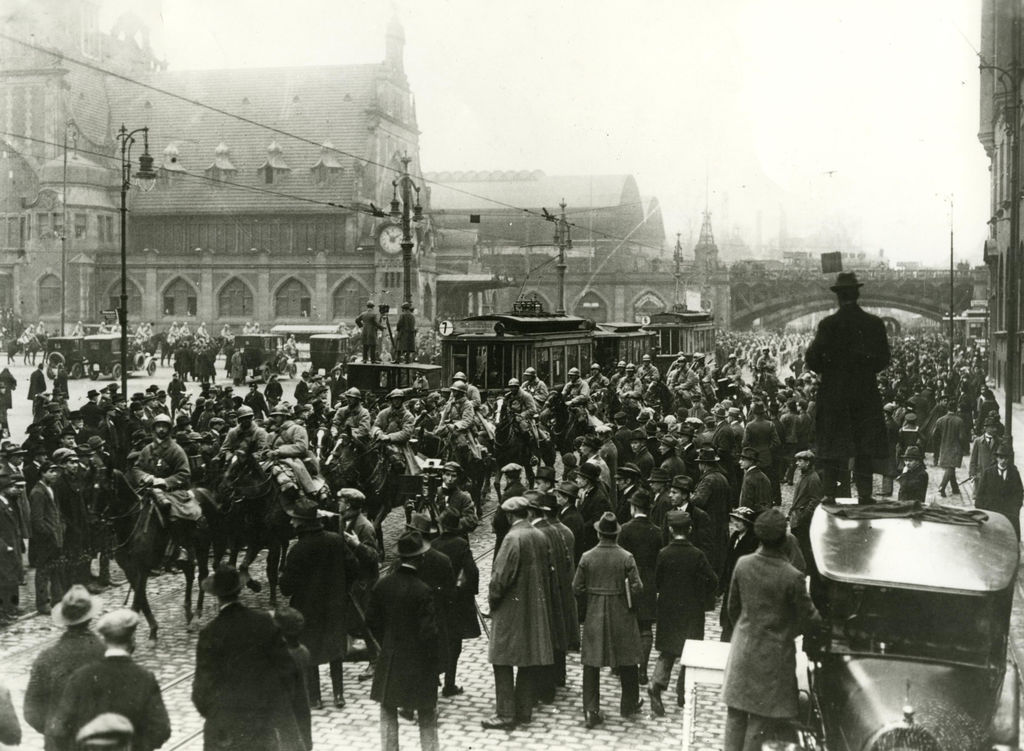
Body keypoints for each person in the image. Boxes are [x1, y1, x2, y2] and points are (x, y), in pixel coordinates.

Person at [722, 508, 821, 751]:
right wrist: (787, 631)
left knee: (735, 715)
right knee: (759, 720)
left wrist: (747, 631)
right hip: (773, 659)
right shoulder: (792, 576)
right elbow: (810, 621)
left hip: (742, 651)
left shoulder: (743, 565)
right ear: (784, 539)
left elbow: (732, 609)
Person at [192, 565, 306, 751]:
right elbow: (288, 671)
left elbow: (200, 692)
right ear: (239, 591)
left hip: (223, 733)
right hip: (260, 728)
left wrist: (219, 715)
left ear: (216, 597)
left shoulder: (209, 632)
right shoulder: (264, 621)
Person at [804, 272, 890, 504]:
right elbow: (884, 360)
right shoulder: (874, 323)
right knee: (864, 445)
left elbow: (812, 360)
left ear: (838, 297)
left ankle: (830, 494)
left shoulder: (828, 325)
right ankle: (865, 495)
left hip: (834, 395)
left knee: (833, 444)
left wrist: (831, 369)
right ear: (857, 294)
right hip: (865, 393)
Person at [47, 609, 171, 751]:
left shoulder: (81, 676)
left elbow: (59, 728)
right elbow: (161, 729)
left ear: (104, 640)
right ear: (132, 640)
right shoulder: (145, 678)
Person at [482, 496, 555, 730]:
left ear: (510, 515)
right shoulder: (540, 535)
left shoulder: (512, 538)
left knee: (501, 660)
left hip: (510, 609)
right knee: (527, 658)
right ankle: (524, 710)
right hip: (534, 607)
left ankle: (505, 713)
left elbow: (500, 578)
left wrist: (492, 602)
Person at [366, 531, 441, 751]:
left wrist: (387, 639)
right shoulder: (423, 590)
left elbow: (371, 620)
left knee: (388, 709)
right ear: (420, 558)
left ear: (400, 557)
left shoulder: (383, 585)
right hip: (419, 661)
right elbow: (428, 633)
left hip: (390, 658)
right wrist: (433, 662)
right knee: (427, 711)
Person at [280, 504, 359, 709]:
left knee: (310, 651)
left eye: (294, 519)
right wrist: (342, 587)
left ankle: (315, 698)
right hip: (335, 605)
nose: (291, 522)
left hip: (307, 609)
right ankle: (339, 695)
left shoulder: (297, 549)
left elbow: (287, 588)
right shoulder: (335, 540)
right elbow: (354, 567)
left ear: (303, 524)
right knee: (335, 650)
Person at [573, 511, 644, 728]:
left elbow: (576, 587)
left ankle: (591, 710)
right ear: (616, 534)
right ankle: (629, 703)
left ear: (598, 534)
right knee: (628, 658)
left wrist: (592, 598)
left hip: (595, 613)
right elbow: (638, 587)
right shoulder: (626, 557)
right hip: (622, 612)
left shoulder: (587, 557)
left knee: (591, 662)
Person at [648, 510, 718, 715]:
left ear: (670, 530)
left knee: (667, 651)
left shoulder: (663, 553)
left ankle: (656, 684)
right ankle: (683, 693)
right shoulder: (698, 555)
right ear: (689, 529)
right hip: (691, 610)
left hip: (668, 609)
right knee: (689, 650)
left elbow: (657, 581)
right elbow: (712, 580)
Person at [24, 585, 105, 750]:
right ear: (90, 617)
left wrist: (53, 731)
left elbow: (31, 711)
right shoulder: (106, 654)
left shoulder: (47, 657)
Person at [430, 510, 481, 698]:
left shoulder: (433, 544)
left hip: (437, 601)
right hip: (457, 602)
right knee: (454, 643)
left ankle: (432, 681)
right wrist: (468, 593)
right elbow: (472, 572)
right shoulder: (461, 544)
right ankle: (449, 684)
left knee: (437, 641)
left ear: (442, 526)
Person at [617, 489, 661, 685]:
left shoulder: (625, 529)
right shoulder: (657, 531)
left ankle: (625, 667)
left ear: (634, 508)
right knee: (645, 627)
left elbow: (620, 558)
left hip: (628, 581)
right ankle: (642, 669)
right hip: (649, 582)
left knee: (627, 624)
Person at [28, 461, 65, 614]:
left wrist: (61, 527)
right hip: (45, 540)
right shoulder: (38, 492)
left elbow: (56, 512)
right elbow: (37, 520)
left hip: (56, 537)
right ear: (42, 473)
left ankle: (58, 600)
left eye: (56, 471)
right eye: (51, 471)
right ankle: (42, 603)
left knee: (56, 569)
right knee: (43, 571)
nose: (54, 474)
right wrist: (48, 534)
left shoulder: (50, 488)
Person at [975, 441, 1024, 540]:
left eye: (1006, 458)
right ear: (997, 458)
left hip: (1009, 514)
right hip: (992, 513)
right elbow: (980, 495)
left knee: (1010, 540)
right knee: (992, 540)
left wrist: (1015, 508)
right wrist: (984, 511)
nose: (1003, 461)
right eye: (1001, 458)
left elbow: (1019, 493)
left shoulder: (1014, 473)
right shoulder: (988, 473)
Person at [932, 399, 969, 497]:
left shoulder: (940, 420)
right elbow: (962, 437)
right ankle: (942, 486)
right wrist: (965, 447)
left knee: (950, 467)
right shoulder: (959, 421)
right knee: (951, 467)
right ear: (956, 409)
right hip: (955, 447)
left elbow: (934, 435)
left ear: (947, 409)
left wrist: (940, 441)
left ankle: (955, 488)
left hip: (944, 446)